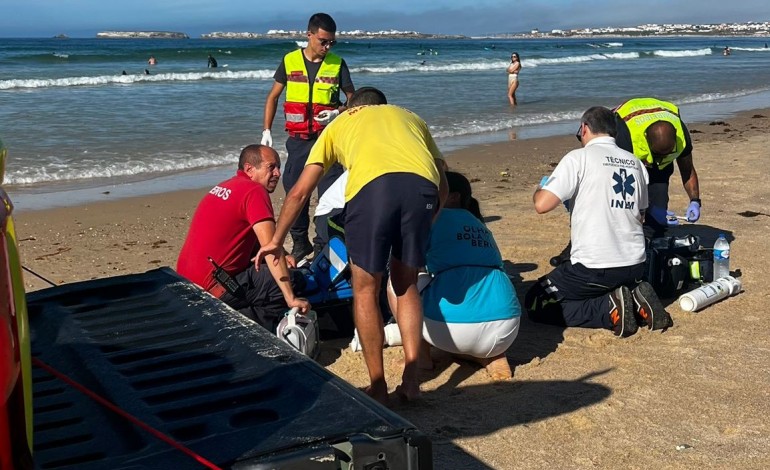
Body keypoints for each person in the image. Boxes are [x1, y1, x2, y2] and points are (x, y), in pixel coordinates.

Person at [255, 87, 448, 405]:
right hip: (421, 187)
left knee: (365, 288)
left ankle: (378, 386)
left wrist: (276, 241)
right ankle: (412, 383)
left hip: (374, 189)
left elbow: (300, 192)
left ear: (349, 107)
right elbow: (443, 182)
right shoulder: (412, 117)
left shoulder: (340, 123)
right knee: (405, 284)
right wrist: (430, 218)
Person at [526, 106, 671, 337]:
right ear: (613, 132)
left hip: (593, 268)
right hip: (634, 265)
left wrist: (540, 188)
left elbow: (541, 205)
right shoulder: (635, 163)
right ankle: (633, 298)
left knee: (537, 301)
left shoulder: (578, 158)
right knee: (596, 285)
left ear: (584, 128)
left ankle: (608, 309)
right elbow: (641, 214)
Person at [387, 171, 520, 381]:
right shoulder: (478, 224)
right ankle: (492, 355)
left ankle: (421, 357)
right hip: (506, 329)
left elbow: (411, 264)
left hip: (455, 329)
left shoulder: (434, 219)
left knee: (398, 283)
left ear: (453, 196)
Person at [176, 144, 310, 332]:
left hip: (186, 281)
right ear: (249, 169)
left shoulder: (224, 186)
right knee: (293, 281)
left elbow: (256, 238)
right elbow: (272, 252)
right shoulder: (255, 191)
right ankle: (245, 329)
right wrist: (291, 298)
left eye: (279, 167)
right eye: (271, 167)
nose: (278, 173)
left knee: (273, 270)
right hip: (213, 287)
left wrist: (285, 254)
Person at [261, 12, 355, 260]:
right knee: (294, 191)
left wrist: (337, 112)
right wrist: (266, 130)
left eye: (331, 42)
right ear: (309, 35)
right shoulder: (290, 61)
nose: (327, 46)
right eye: (323, 41)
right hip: (299, 141)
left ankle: (325, 244)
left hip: (328, 141)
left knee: (330, 196)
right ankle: (301, 243)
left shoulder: (337, 63)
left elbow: (353, 99)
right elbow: (273, 97)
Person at [613, 97, 701, 237]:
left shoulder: (681, 135)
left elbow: (687, 169)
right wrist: (649, 208)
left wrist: (695, 201)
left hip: (656, 158)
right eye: (657, 155)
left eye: (666, 154)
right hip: (626, 134)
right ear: (646, 138)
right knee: (625, 214)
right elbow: (618, 183)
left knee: (657, 225)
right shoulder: (625, 137)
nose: (659, 161)